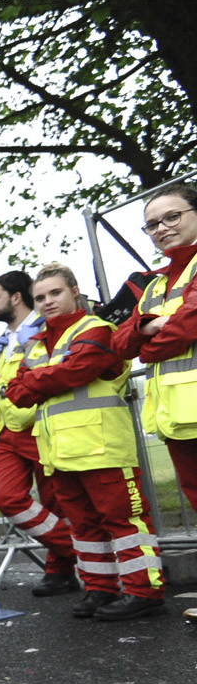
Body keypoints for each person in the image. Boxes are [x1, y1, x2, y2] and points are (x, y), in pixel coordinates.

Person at [6, 264, 165, 620]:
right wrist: (48, 379)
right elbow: (15, 392)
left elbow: (78, 370)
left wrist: (37, 381)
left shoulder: (96, 328)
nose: (47, 302)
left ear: (75, 291)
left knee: (126, 523)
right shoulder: (37, 343)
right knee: (83, 527)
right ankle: (100, 589)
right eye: (40, 298)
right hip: (60, 453)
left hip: (103, 447)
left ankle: (144, 591)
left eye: (55, 293)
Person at [0, 271, 78, 595]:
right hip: (5, 431)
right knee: (8, 499)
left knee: (55, 502)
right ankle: (81, 552)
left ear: (15, 297)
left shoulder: (44, 329)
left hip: (37, 425)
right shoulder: (1, 343)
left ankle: (60, 571)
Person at [111, 181, 197, 517]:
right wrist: (146, 326)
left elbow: (187, 325)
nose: (161, 229)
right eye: (152, 224)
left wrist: (147, 349)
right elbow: (118, 343)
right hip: (178, 420)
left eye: (172, 217)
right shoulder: (155, 284)